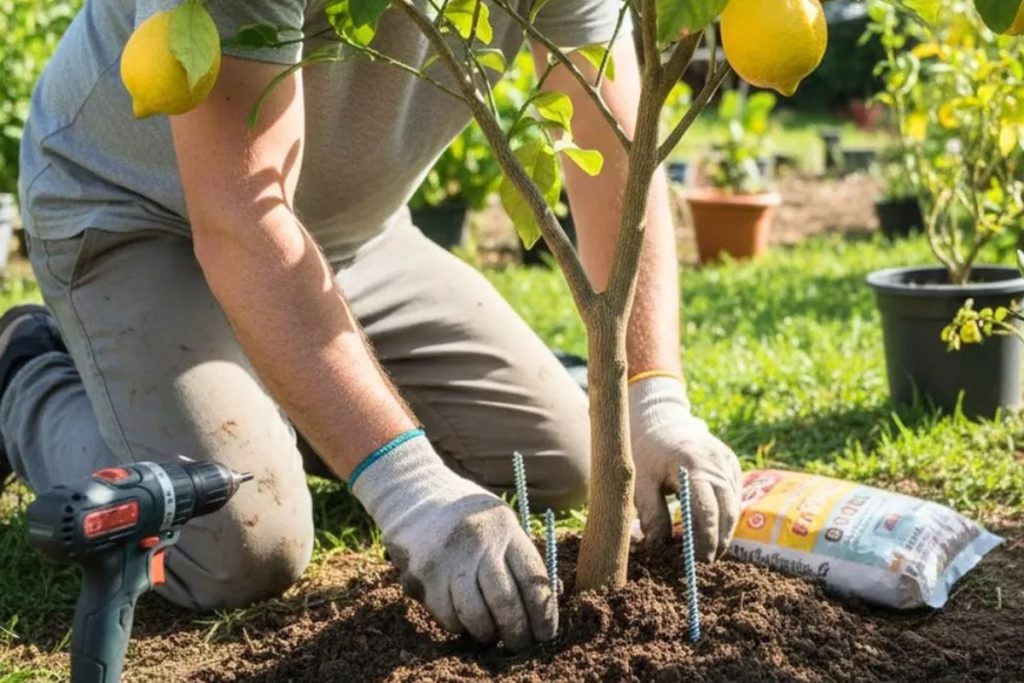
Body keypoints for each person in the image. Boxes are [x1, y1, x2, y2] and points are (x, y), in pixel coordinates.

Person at [0, 0, 741, 651]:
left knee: (564, 460)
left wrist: (653, 397)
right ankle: (27, 373)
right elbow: (240, 219)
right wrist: (410, 489)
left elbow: (613, 151)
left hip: (350, 238)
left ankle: (290, 400)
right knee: (237, 547)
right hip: (135, 220)